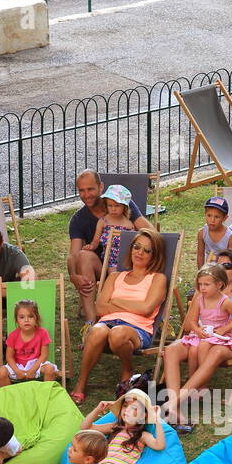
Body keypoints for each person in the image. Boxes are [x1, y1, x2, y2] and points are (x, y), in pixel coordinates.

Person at [69, 228, 168, 404]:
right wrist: (132, 306)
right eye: (137, 247)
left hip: (138, 329)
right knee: (97, 330)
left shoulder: (157, 279)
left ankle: (127, 369)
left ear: (154, 255)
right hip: (107, 323)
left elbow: (146, 309)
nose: (140, 253)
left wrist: (116, 303)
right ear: (131, 249)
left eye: (147, 250)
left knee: (118, 333)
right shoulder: (115, 276)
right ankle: (81, 383)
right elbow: (99, 308)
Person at [160, 263, 232, 428]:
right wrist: (197, 330)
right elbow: (191, 322)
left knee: (209, 350)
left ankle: (176, 401)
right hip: (201, 336)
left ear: (219, 284)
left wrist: (223, 329)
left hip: (221, 339)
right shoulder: (200, 299)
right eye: (200, 285)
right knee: (170, 350)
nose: (202, 288)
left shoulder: (226, 302)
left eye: (206, 284)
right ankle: (176, 408)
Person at [66, 170, 153, 319]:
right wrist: (73, 275)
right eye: (81, 190)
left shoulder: (121, 203)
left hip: (130, 266)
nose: (86, 195)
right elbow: (73, 254)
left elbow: (150, 231)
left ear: (101, 187)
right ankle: (92, 322)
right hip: (103, 269)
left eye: (90, 189)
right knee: (83, 256)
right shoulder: (78, 219)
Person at [52, 389, 167, 464]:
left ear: (143, 416)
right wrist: (98, 410)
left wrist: (157, 419)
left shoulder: (142, 436)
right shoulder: (114, 427)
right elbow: (85, 428)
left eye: (134, 408)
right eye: (125, 406)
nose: (127, 410)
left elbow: (160, 445)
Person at [0, 299, 58, 386]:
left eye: (30, 316)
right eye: (22, 317)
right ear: (17, 320)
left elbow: (44, 355)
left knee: (50, 369)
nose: (26, 320)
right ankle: (8, 396)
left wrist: (33, 370)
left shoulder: (42, 333)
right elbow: (9, 357)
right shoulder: (13, 335)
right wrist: (16, 371)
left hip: (36, 363)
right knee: (1, 371)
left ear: (36, 318)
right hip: (18, 365)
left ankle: (46, 394)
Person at [84, 185, 138, 276]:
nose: (113, 209)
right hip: (109, 258)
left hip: (126, 258)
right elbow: (96, 240)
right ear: (106, 205)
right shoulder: (103, 221)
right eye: (110, 205)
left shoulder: (129, 225)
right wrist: (91, 246)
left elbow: (132, 243)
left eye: (117, 205)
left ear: (124, 206)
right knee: (114, 275)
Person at [196, 197, 232, 267]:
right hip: (207, 268)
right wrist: (201, 272)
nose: (212, 220)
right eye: (209, 215)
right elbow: (200, 255)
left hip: (223, 269)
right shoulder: (202, 233)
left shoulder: (229, 236)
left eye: (217, 217)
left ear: (224, 218)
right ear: (205, 214)